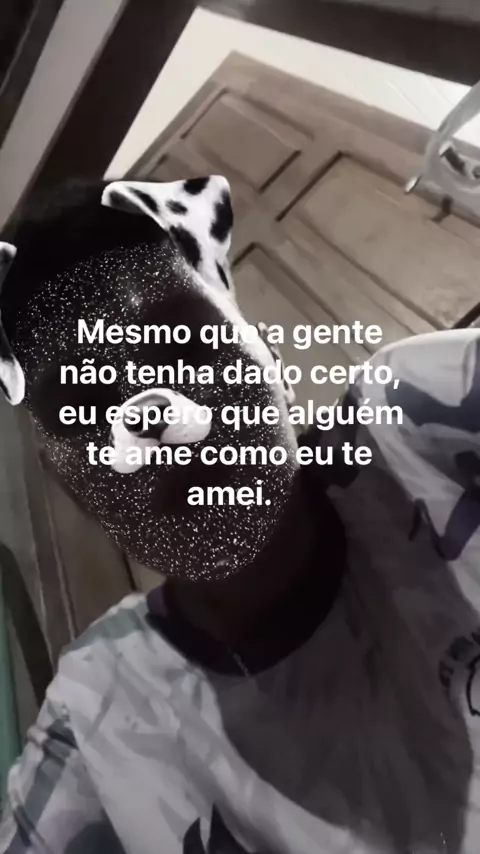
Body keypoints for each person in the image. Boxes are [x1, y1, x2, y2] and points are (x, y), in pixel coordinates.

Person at [0, 176, 480, 854]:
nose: (153, 412)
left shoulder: (422, 425)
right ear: (73, 488)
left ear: (268, 354)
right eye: (87, 405)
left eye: (186, 346)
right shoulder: (97, 722)